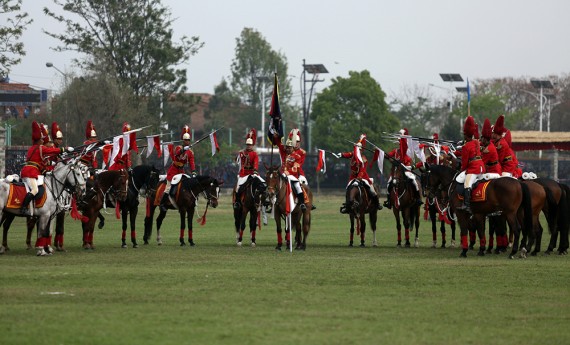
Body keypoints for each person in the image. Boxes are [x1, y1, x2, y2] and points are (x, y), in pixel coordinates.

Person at [20, 121, 73, 214]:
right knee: (35, 190)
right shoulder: (40, 147)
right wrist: (65, 149)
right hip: (31, 172)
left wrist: (50, 162)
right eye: (41, 139)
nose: (43, 140)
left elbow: (39, 161)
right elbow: (51, 151)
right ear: (39, 140)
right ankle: (23, 207)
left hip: (28, 171)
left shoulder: (32, 148)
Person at [336, 134, 382, 210]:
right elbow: (347, 154)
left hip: (363, 177)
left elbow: (362, 170)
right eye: (356, 149)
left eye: (359, 149)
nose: (357, 151)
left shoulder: (363, 159)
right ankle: (347, 205)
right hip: (353, 176)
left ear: (361, 150)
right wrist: (341, 154)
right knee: (348, 188)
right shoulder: (353, 155)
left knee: (372, 191)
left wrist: (358, 179)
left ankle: (377, 204)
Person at [159, 125, 196, 212]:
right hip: (173, 170)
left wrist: (193, 172)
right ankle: (162, 204)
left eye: (188, 140)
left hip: (181, 171)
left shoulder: (190, 152)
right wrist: (183, 150)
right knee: (168, 188)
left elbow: (192, 162)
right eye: (185, 140)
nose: (187, 141)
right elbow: (177, 154)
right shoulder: (178, 148)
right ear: (183, 140)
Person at [384, 128, 422, 209]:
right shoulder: (395, 151)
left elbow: (407, 159)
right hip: (397, 172)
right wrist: (382, 154)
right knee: (389, 183)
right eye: (399, 142)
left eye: (401, 142)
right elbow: (388, 156)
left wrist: (403, 136)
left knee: (414, 182)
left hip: (406, 171)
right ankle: (389, 201)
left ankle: (417, 198)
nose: (399, 144)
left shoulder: (407, 151)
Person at [272, 129, 307, 211]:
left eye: (289, 147)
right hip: (282, 174)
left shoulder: (299, 154)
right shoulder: (284, 151)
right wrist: (276, 137)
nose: (288, 149)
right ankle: (271, 203)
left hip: (295, 174)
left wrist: (287, 173)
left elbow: (296, 167)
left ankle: (303, 202)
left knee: (300, 185)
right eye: (287, 147)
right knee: (272, 184)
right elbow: (279, 144)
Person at [457, 116, 484, 212]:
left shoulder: (465, 146)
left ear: (465, 135)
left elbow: (464, 163)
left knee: (467, 184)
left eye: (464, 134)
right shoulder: (476, 142)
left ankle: (467, 205)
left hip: (474, 168)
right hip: (481, 167)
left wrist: (462, 170)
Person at [233, 128, 264, 209]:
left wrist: (255, 170)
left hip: (252, 172)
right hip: (243, 173)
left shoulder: (254, 154)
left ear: (252, 145)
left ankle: (263, 202)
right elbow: (237, 161)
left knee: (263, 184)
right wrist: (237, 156)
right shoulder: (242, 153)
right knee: (238, 187)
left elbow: (256, 163)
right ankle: (237, 202)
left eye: (250, 145)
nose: (249, 146)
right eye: (247, 145)